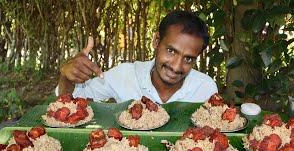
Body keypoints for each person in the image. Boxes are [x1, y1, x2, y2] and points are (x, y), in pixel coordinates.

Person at [58, 10, 218, 104]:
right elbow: (70, 100)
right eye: (171, 51)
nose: (176, 67)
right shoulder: (124, 75)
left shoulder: (205, 89)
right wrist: (67, 77)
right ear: (156, 41)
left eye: (188, 59)